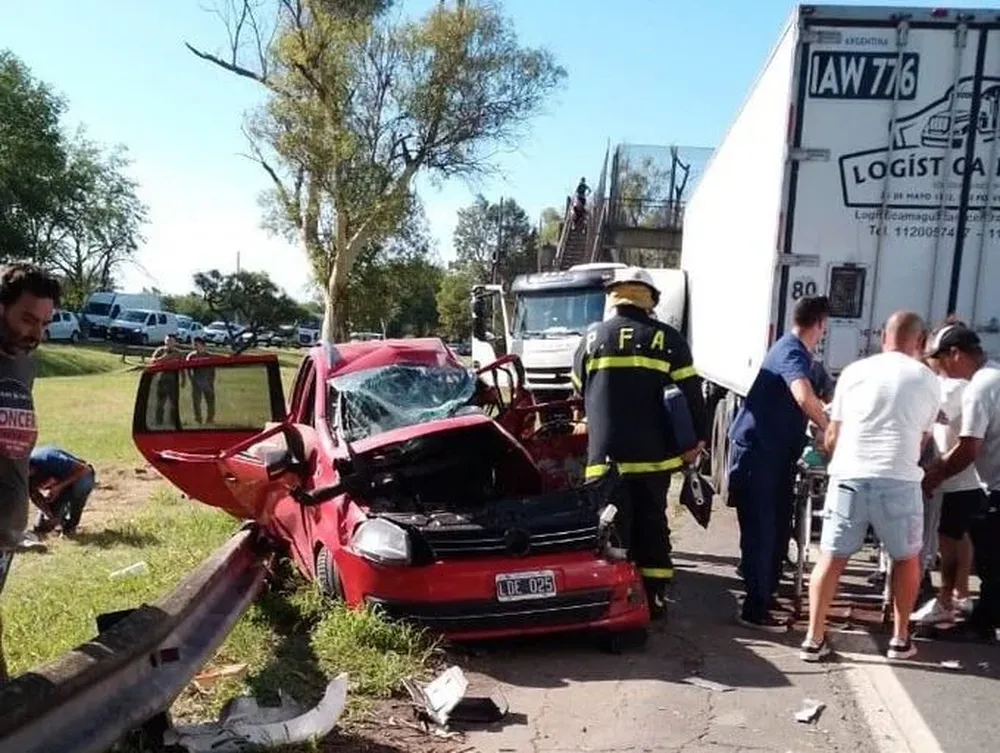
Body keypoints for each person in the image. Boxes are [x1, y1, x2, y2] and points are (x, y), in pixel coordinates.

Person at [571, 267, 709, 620]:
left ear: (613, 298)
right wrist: (695, 442)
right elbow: (693, 397)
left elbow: (579, 393)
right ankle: (655, 596)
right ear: (650, 300)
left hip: (605, 460)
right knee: (652, 523)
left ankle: (612, 600)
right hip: (654, 460)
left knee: (610, 528)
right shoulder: (670, 340)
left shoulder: (590, 339)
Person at [801, 311, 939, 662]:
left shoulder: (854, 372)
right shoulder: (927, 378)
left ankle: (814, 638)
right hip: (898, 479)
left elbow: (834, 432)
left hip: (849, 476)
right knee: (906, 558)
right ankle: (900, 637)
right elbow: (922, 439)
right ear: (920, 342)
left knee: (832, 558)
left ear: (883, 337)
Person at [728, 296, 831, 633]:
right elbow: (802, 396)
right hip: (759, 456)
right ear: (819, 324)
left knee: (776, 531)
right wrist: (830, 430)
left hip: (774, 455)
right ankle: (754, 609)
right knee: (762, 531)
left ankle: (764, 596)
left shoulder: (795, 352)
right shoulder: (791, 352)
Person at [0, 263, 61, 682]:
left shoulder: (25, 362)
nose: (35, 332)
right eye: (26, 318)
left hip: (4, 533)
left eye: (43, 323)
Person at [922, 322, 1000, 642]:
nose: (939, 367)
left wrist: (935, 474)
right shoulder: (992, 375)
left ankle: (983, 624)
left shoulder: (979, 388)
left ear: (956, 354)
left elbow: (969, 446)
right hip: (992, 483)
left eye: (941, 359)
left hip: (996, 486)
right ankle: (985, 617)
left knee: (992, 560)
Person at [28, 446, 96, 537]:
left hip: (80, 476)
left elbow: (85, 469)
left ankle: (71, 525)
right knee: (42, 526)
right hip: (59, 486)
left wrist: (58, 487)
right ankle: (60, 519)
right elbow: (34, 495)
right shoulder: (19, 474)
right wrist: (49, 514)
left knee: (81, 487)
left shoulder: (48, 458)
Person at [151, 334, 186, 426]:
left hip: (174, 382)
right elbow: (153, 362)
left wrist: (183, 380)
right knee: (160, 403)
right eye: (167, 340)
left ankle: (173, 422)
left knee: (174, 404)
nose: (169, 343)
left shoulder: (179, 353)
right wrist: (165, 357)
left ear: (175, 342)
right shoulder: (160, 351)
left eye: (171, 341)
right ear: (165, 341)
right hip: (161, 380)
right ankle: (159, 422)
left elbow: (183, 367)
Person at [186, 337, 216, 425]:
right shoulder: (191, 356)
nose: (195, 346)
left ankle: (210, 419)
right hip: (196, 383)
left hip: (207, 382)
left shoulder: (209, 356)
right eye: (194, 345)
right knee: (196, 403)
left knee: (210, 401)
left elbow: (213, 370)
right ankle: (198, 420)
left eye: (197, 344)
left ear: (203, 345)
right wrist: (191, 379)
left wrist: (211, 380)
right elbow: (188, 368)